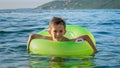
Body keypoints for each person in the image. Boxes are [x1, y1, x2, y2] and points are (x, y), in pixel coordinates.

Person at [27, 17, 97, 61]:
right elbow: (32, 36)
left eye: (61, 31)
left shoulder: (68, 41)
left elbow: (86, 37)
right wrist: (28, 50)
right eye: (55, 31)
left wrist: (94, 51)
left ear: (64, 32)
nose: (58, 34)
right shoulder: (48, 39)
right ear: (50, 32)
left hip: (66, 57)